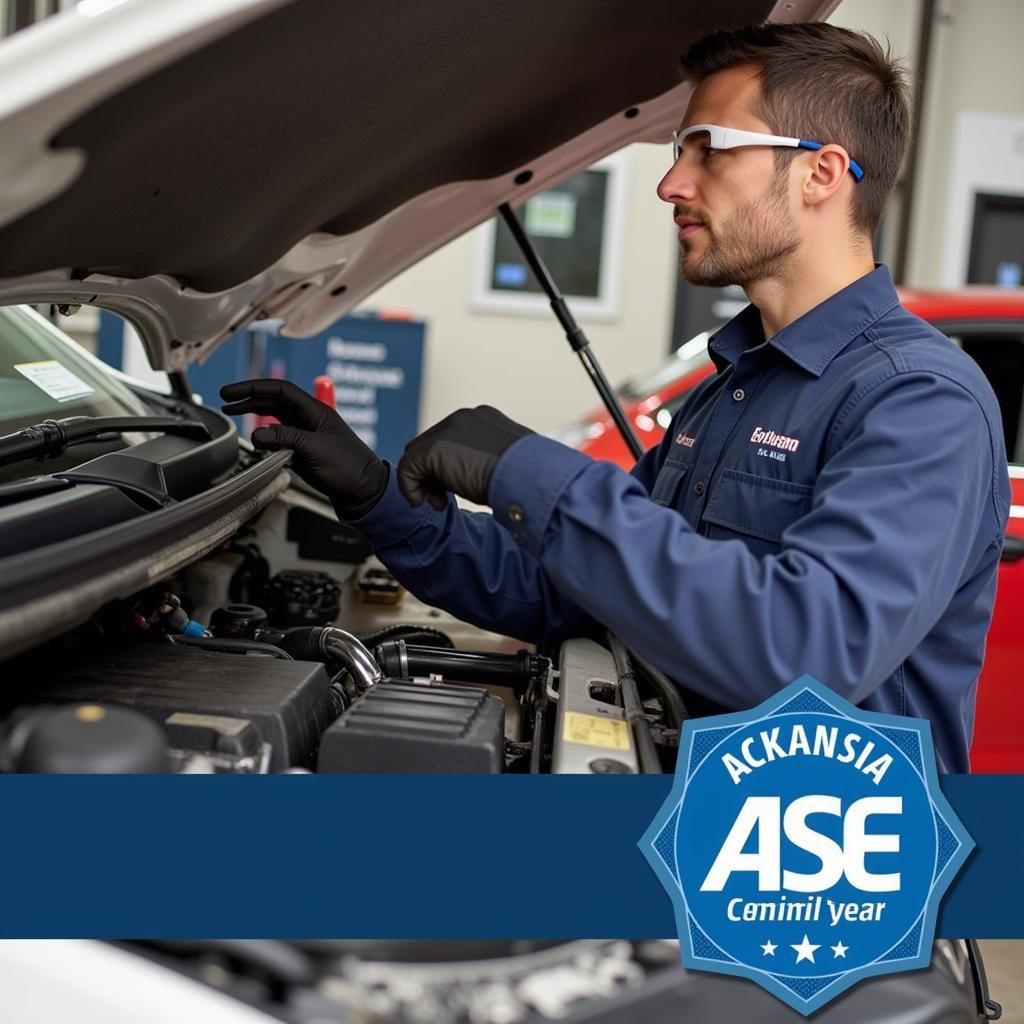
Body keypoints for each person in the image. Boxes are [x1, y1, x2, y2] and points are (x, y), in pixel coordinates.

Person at [222, 23, 1009, 773]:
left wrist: (534, 474)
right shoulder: (733, 389)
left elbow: (808, 649)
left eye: (710, 149)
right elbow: (575, 592)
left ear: (822, 173)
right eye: (678, 149)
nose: (674, 182)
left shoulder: (917, 400)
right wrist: (376, 496)